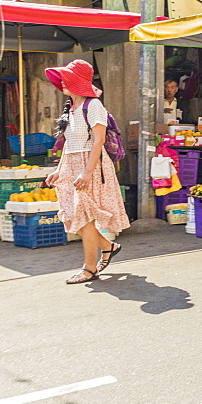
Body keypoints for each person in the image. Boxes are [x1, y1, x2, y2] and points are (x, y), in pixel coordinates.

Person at [43, 60, 130, 284]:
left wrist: (87, 172)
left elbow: (98, 140)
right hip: (72, 166)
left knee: (84, 218)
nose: (62, 82)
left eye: (67, 78)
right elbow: (68, 144)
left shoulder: (93, 106)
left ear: (77, 82)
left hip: (90, 165)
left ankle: (89, 268)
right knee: (76, 217)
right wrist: (58, 170)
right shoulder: (71, 109)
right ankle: (108, 247)